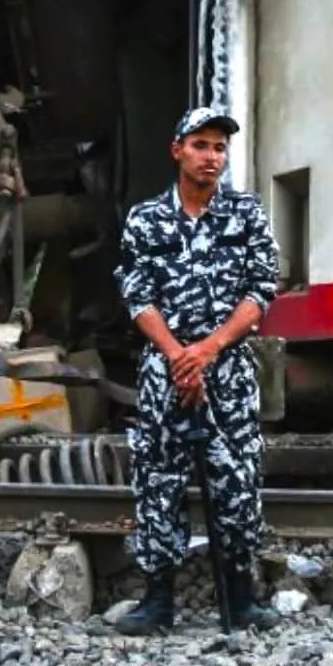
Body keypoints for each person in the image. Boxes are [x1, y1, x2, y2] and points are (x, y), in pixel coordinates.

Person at [110, 105, 282, 635]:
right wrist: (177, 355)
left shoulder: (247, 214)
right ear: (177, 151)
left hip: (227, 370)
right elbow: (136, 294)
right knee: (158, 481)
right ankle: (157, 602)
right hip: (166, 371)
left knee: (238, 481)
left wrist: (207, 350)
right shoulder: (146, 219)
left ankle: (241, 598)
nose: (212, 157)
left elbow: (261, 289)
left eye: (220, 148)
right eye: (201, 145)